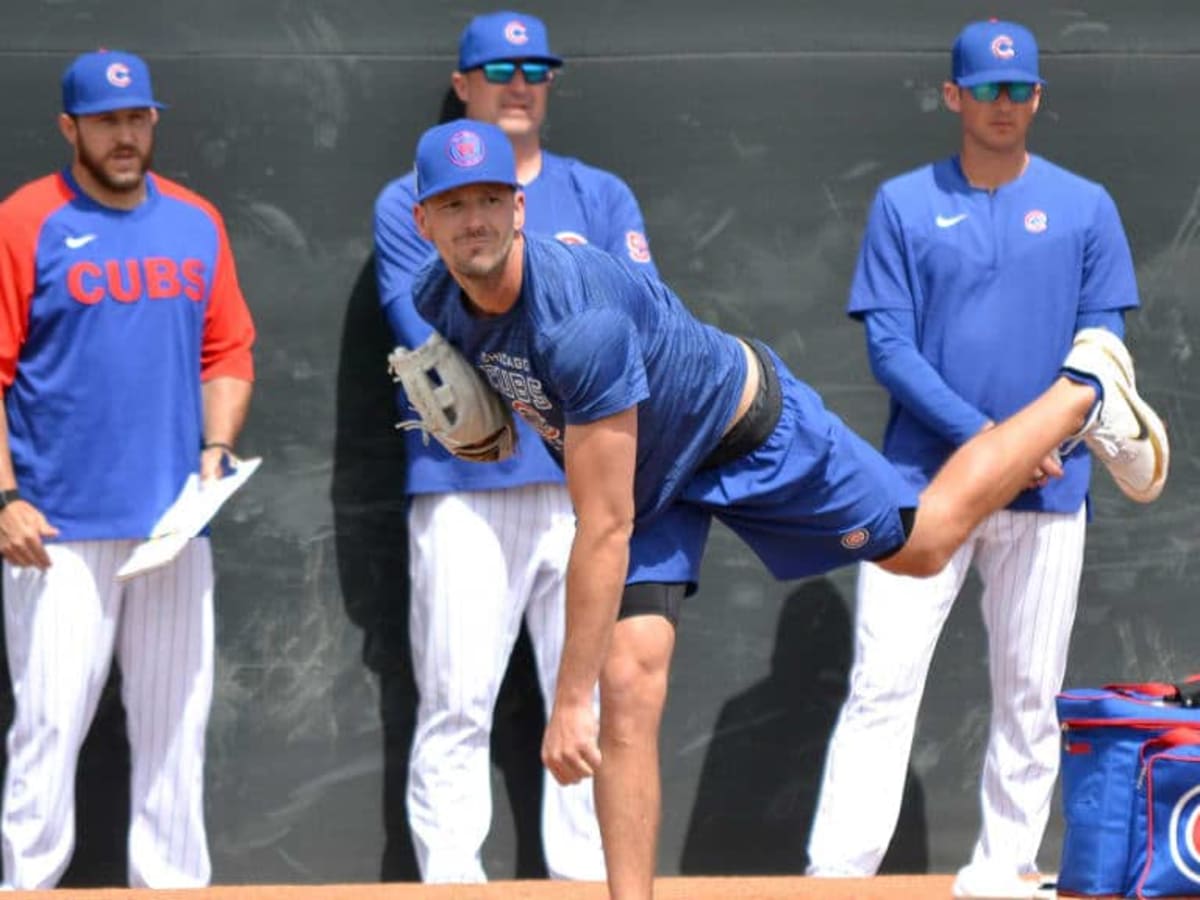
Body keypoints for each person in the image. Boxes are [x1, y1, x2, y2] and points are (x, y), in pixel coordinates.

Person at [405, 117, 1167, 900]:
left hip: (743, 430)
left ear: (520, 208)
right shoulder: (441, 296)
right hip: (646, 472)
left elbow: (603, 526)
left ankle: (1087, 387)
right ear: (423, 220)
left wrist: (568, 704)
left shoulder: (580, 325)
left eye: (492, 199)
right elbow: (511, 386)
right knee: (631, 684)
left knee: (925, 543)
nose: (476, 221)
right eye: (455, 205)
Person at [805, 20, 1147, 899]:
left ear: (1037, 97)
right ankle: (837, 880)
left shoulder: (1086, 206)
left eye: (1018, 89)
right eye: (986, 89)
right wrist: (991, 442)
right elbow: (889, 345)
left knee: (1031, 695)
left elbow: (1100, 348)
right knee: (881, 684)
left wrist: (1041, 441)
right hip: (923, 487)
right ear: (953, 96)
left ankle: (1003, 872)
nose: (1003, 103)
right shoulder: (901, 203)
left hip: (1050, 485)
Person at [372, 10, 656, 884]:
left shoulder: (600, 194)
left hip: (586, 490)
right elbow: (428, 333)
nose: (520, 83)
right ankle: (452, 880)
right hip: (465, 483)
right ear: (463, 85)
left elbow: (641, 319)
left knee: (593, 700)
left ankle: (581, 880)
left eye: (535, 69)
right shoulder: (403, 203)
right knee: (457, 699)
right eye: (500, 69)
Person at [0, 50, 255, 888]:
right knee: (46, 726)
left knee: (176, 729)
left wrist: (215, 453)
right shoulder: (24, 221)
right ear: (70, 127)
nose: (125, 134)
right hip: (58, 530)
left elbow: (228, 352)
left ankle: (173, 887)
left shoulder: (196, 221)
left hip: (173, 529)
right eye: (106, 120)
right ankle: (26, 886)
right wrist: (5, 495)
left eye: (138, 118)